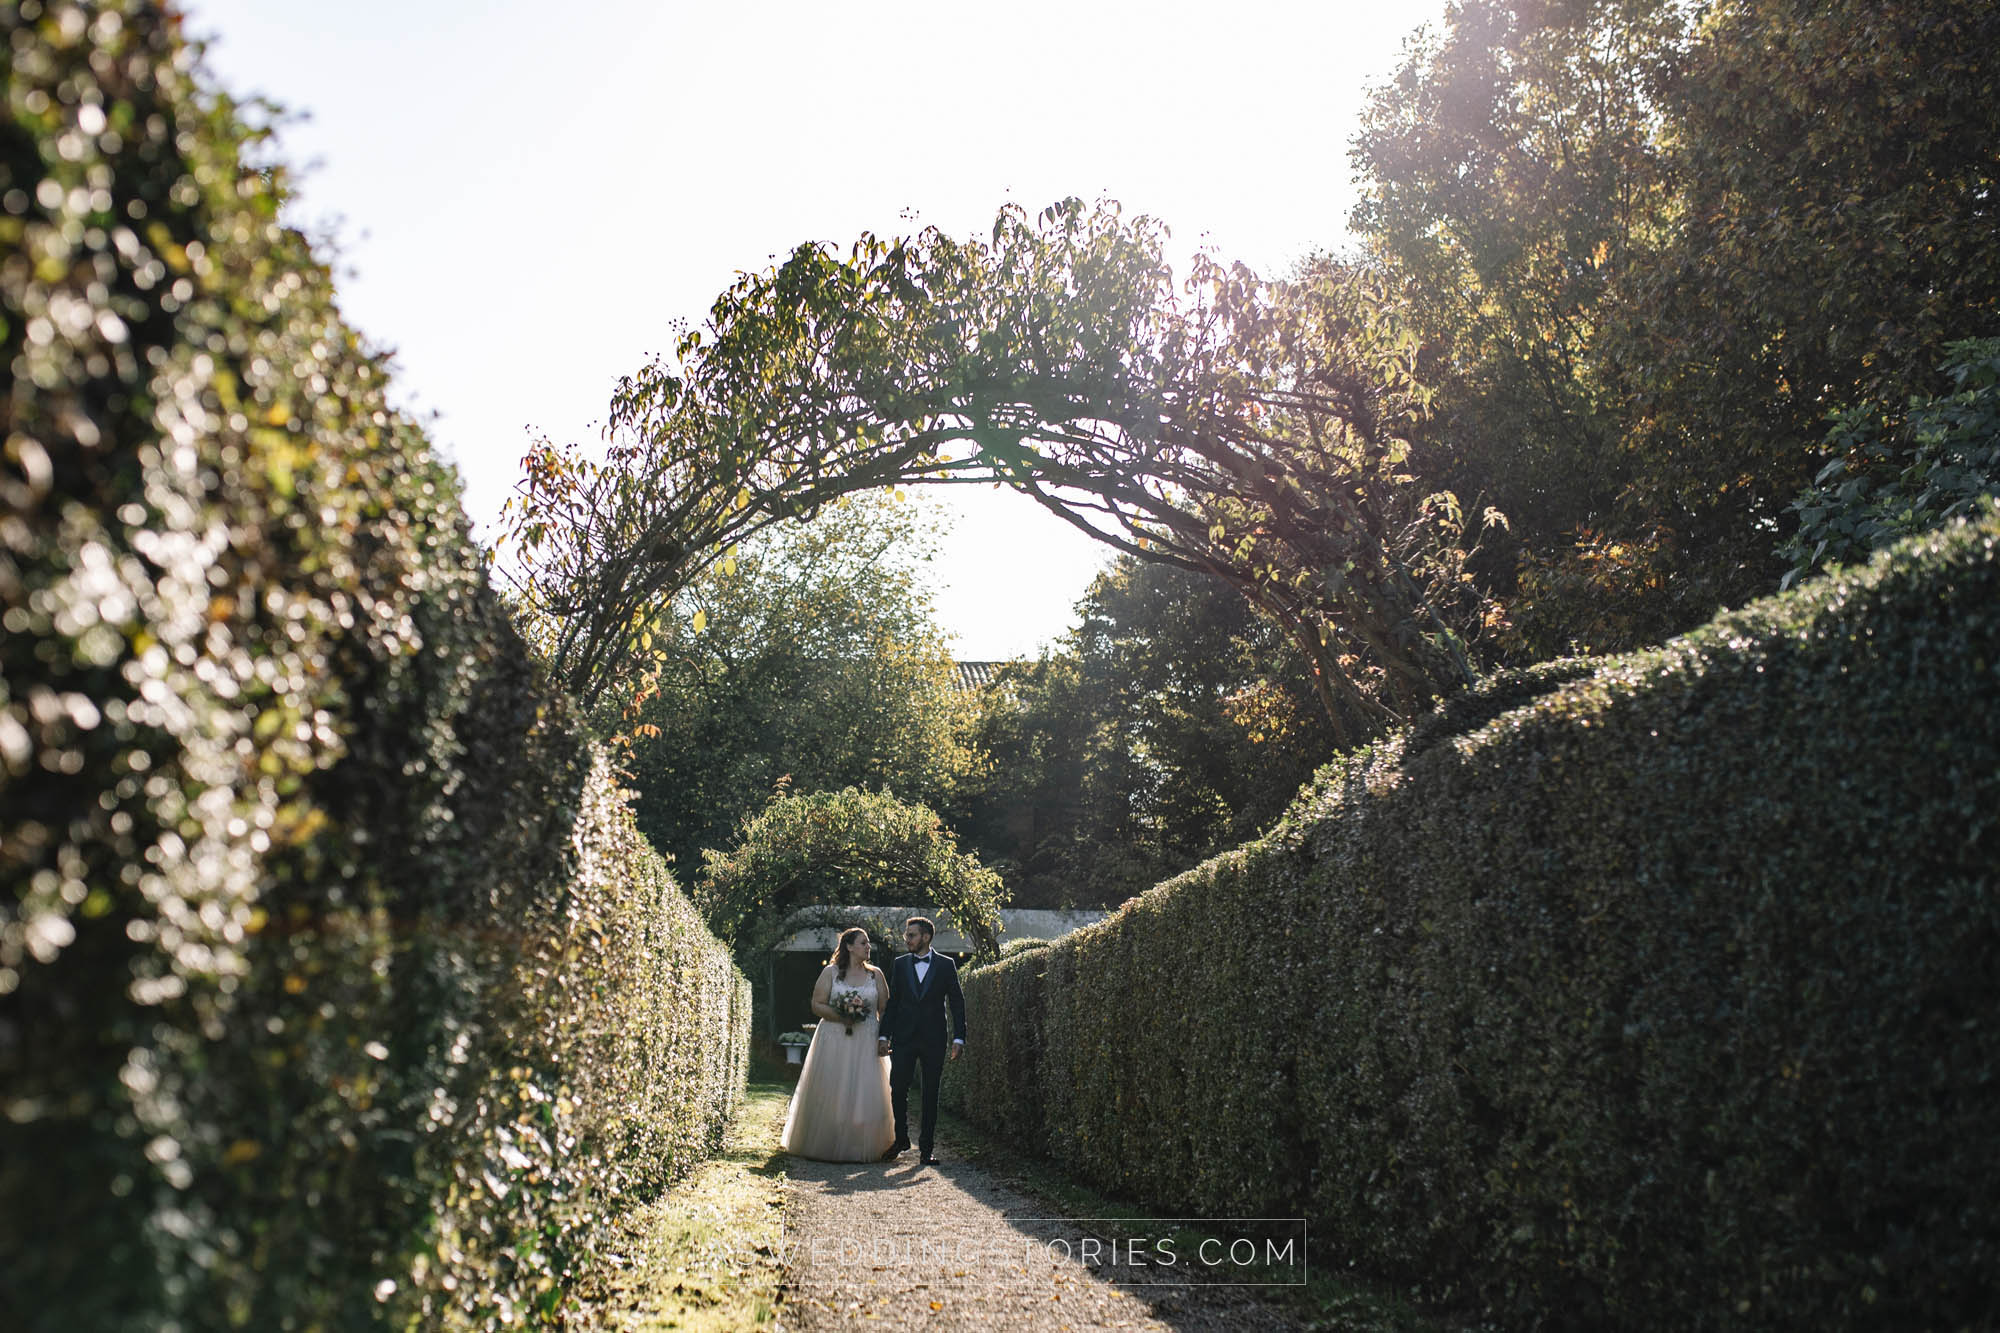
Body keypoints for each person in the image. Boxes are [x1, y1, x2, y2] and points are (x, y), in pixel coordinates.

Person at [779, 927, 895, 1162]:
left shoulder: (876, 975)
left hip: (866, 1037)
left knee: (866, 1089)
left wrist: (885, 1038)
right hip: (834, 1036)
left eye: (868, 943)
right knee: (834, 1086)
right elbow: (817, 1004)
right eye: (863, 943)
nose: (868, 947)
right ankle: (829, 1141)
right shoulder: (831, 973)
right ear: (849, 947)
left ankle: (862, 1142)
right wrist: (842, 1015)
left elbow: (885, 1009)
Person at [877, 916, 966, 1166]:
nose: (907, 939)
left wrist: (960, 1037)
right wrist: (885, 1035)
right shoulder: (900, 964)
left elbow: (957, 1002)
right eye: (907, 935)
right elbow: (893, 1003)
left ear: (926, 937)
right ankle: (902, 1139)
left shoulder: (946, 965)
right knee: (898, 1088)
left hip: (934, 1039)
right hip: (904, 1038)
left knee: (930, 1093)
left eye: (912, 935)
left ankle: (926, 1149)